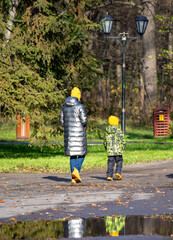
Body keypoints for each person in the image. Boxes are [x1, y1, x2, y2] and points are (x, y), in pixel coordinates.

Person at [59, 87, 88, 183]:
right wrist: (84, 125)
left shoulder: (64, 107)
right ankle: (76, 171)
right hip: (79, 135)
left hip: (69, 136)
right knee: (81, 154)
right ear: (78, 96)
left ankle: (74, 178)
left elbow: (62, 122)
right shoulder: (80, 107)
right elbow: (84, 120)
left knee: (72, 155)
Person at [104, 115, 126, 181]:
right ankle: (118, 172)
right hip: (118, 150)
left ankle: (109, 176)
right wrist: (124, 146)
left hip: (110, 151)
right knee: (119, 161)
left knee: (110, 163)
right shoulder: (118, 130)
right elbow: (122, 139)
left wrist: (106, 147)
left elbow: (104, 141)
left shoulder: (106, 130)